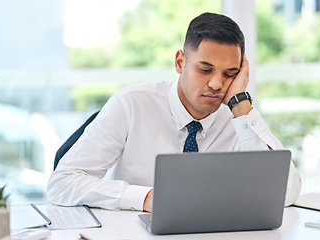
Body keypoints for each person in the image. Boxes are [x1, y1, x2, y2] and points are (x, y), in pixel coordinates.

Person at [47, 12, 301, 212]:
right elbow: (61, 184)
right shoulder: (132, 104)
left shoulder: (237, 119)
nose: (216, 84)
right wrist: (144, 197)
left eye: (229, 74)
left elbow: (286, 192)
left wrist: (242, 107)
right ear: (180, 62)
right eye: (205, 69)